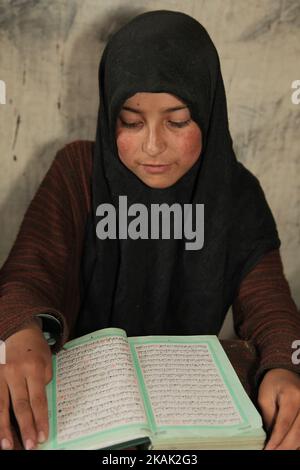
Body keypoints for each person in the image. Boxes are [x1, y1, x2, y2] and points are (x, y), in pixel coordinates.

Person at [0, 9, 300, 451]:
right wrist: (22, 331)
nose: (153, 145)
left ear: (210, 113)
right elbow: (28, 274)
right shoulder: (78, 171)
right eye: (131, 121)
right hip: (82, 407)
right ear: (109, 116)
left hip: (191, 413)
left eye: (177, 121)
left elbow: (271, 307)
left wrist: (284, 367)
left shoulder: (235, 194)